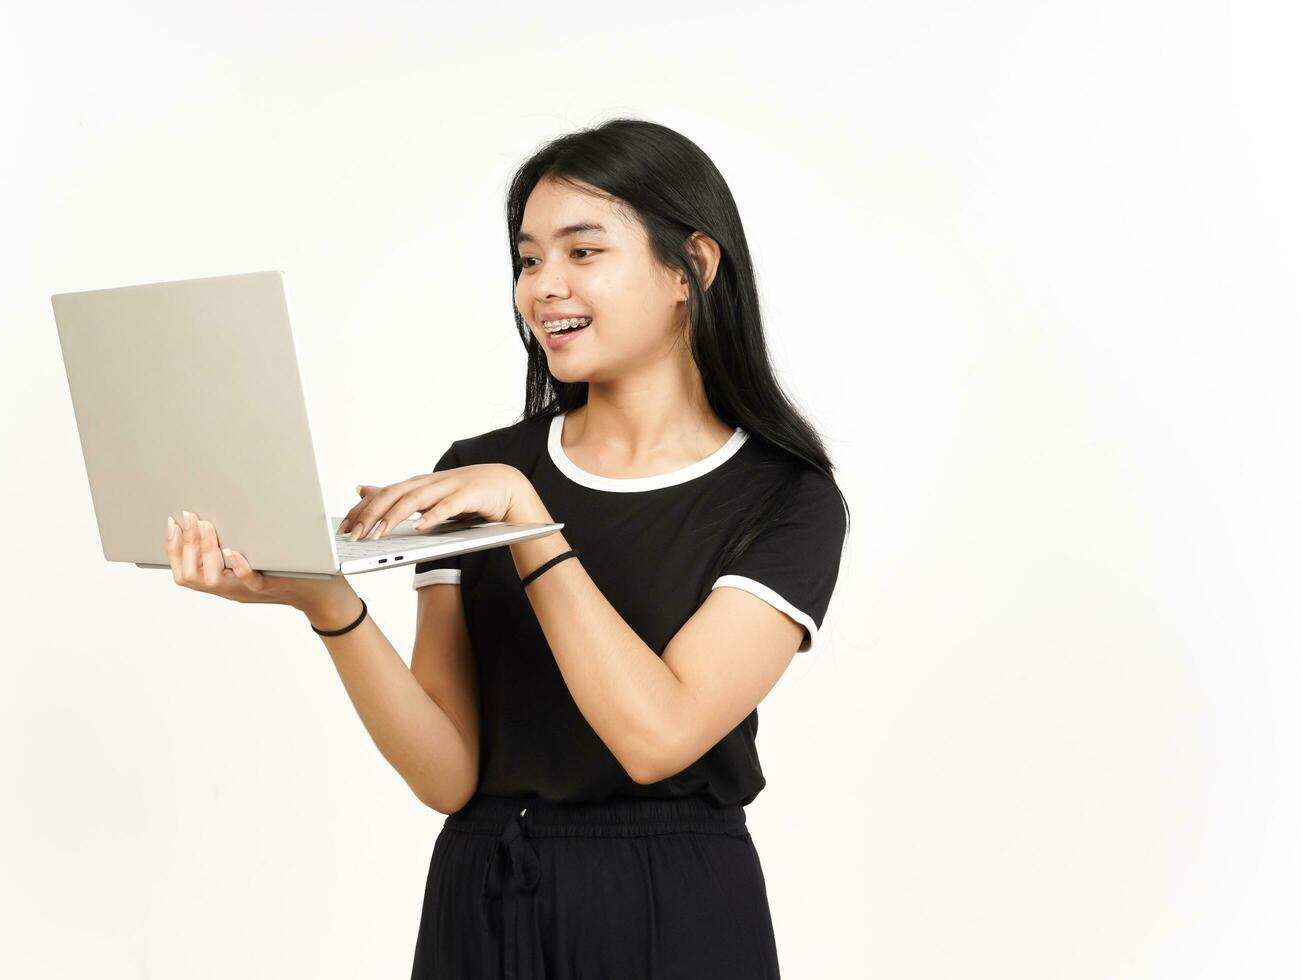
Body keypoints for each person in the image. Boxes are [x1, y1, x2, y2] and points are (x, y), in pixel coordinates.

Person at [165, 117, 850, 979]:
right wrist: (327, 601)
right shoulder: (482, 471)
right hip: (481, 896)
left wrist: (528, 523)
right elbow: (448, 774)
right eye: (528, 260)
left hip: (669, 909)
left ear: (692, 268)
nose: (543, 289)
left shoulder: (783, 498)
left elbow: (656, 735)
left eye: (582, 252)